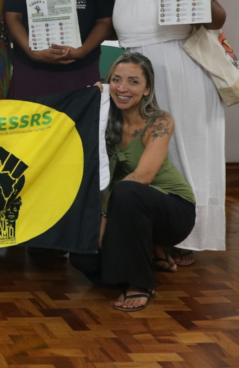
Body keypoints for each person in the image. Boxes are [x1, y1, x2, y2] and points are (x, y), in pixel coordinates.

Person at [99, 0, 227, 262]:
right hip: (134, 79)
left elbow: (215, 21)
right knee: (143, 153)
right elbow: (112, 26)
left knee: (188, 151)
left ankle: (188, 236)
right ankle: (151, 234)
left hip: (182, 73)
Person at [69, 53, 196, 311]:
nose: (123, 88)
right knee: (83, 260)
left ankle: (141, 283)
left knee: (128, 191)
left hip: (172, 209)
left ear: (147, 88)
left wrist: (104, 217)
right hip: (125, 209)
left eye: (133, 82)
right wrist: (95, 97)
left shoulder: (160, 121)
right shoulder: (103, 118)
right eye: (116, 80)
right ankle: (149, 251)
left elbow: (143, 178)